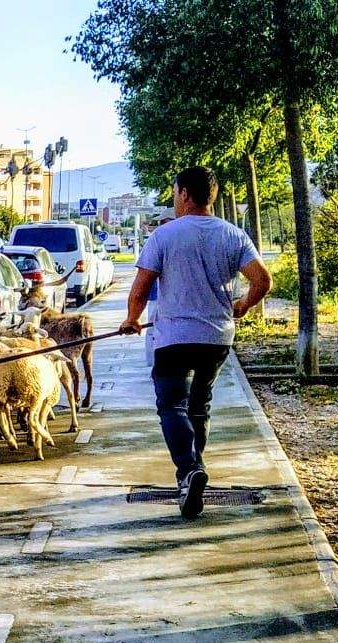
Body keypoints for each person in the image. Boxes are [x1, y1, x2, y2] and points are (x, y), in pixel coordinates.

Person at [118, 166, 272, 519]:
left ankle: (188, 471)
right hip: (216, 338)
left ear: (185, 194)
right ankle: (193, 476)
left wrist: (130, 320)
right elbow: (262, 280)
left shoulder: (164, 235)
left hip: (173, 338)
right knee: (199, 407)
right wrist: (243, 306)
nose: (175, 198)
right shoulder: (233, 236)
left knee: (172, 406)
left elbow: (141, 288)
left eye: (175, 192)